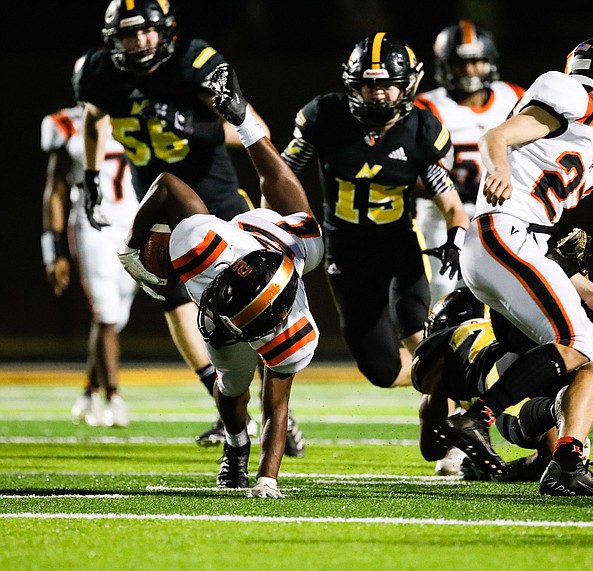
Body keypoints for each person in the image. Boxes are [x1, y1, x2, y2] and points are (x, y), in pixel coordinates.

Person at [74, 0, 304, 453]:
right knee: (174, 299)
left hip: (213, 197)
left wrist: (190, 127)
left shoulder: (194, 64)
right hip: (157, 205)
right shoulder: (98, 72)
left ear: (166, 32)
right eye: (127, 33)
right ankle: (224, 406)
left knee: (248, 305)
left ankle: (281, 410)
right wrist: (90, 176)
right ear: (112, 39)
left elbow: (251, 126)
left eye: (145, 31)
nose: (138, 40)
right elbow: (95, 118)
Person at [436, 38, 593, 496]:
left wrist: (592, 292)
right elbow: (498, 136)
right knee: (579, 344)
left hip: (520, 242)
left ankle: (565, 459)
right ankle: (478, 417)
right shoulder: (572, 93)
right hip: (502, 232)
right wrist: (499, 171)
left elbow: (546, 233)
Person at [119, 64, 321, 498]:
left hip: (271, 266)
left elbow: (277, 408)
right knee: (231, 387)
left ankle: (244, 458)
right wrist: (132, 248)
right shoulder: (204, 250)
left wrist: (269, 479)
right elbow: (168, 184)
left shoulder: (290, 333)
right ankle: (234, 445)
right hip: (261, 239)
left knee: (256, 390)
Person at [281, 33, 470, 390]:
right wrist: (270, 224)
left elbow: (452, 206)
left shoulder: (421, 130)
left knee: (416, 328)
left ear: (407, 85)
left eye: (388, 85)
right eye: (370, 85)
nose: (379, 94)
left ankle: (461, 416)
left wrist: (455, 240)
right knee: (381, 370)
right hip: (346, 251)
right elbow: (280, 176)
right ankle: (452, 387)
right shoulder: (326, 117)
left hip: (397, 245)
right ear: (354, 85)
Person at [413, 230, 593, 483]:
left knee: (531, 424)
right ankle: (571, 287)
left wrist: (445, 412)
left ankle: (557, 412)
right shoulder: (492, 321)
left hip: (502, 371)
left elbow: (431, 448)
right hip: (540, 347)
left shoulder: (451, 343)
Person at [41, 57, 138, 428]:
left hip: (133, 222)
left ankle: (88, 389)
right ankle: (114, 398)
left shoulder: (135, 115)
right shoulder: (63, 123)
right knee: (106, 312)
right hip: (92, 223)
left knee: (118, 315)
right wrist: (54, 250)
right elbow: (55, 189)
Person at [415, 21, 525, 305]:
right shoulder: (426, 107)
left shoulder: (512, 96)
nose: (469, 70)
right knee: (443, 283)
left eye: (476, 61)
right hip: (444, 209)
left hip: (502, 207)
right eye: (460, 63)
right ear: (443, 65)